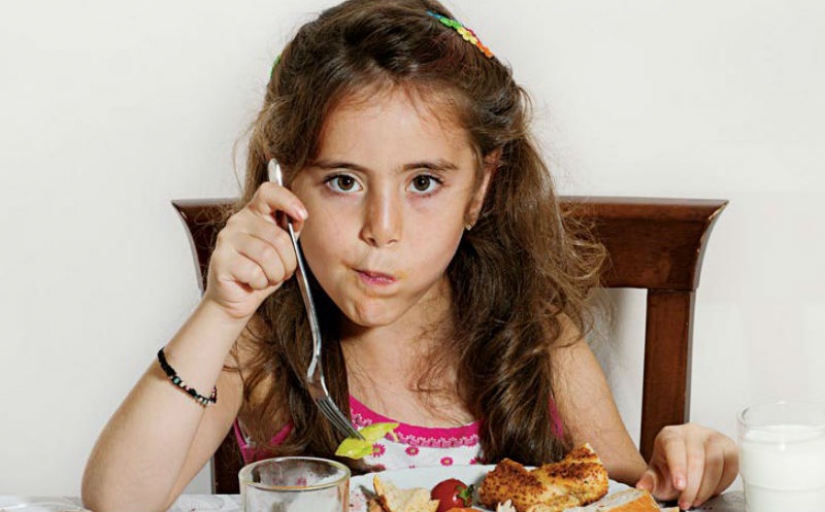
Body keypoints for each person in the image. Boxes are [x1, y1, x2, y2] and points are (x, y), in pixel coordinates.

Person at [81, 1, 738, 510]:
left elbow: (622, 490)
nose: (382, 229)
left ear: (478, 190)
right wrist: (223, 309)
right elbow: (121, 500)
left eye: (423, 182)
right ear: (281, 187)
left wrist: (682, 461)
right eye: (342, 180)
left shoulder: (536, 336)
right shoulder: (256, 348)